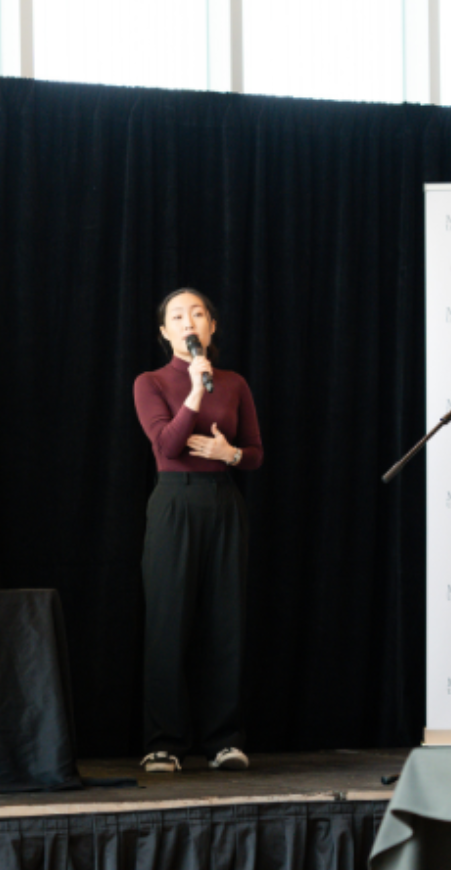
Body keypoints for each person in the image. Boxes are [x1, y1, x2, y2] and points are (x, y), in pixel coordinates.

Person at [132, 287, 265, 772]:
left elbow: (254, 452)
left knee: (224, 623)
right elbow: (167, 445)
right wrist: (192, 389)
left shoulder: (234, 384)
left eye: (198, 313)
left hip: (223, 501)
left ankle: (224, 739)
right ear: (165, 332)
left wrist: (228, 454)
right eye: (178, 316)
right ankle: (163, 741)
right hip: (174, 502)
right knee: (169, 622)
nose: (190, 321)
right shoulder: (149, 382)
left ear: (212, 326)